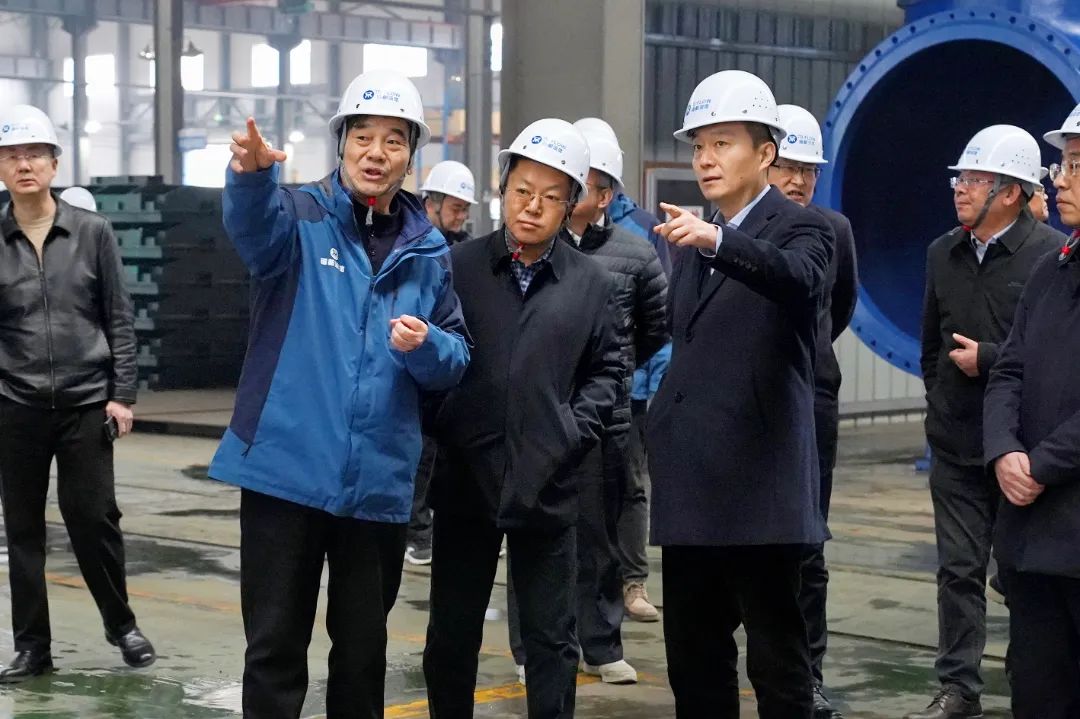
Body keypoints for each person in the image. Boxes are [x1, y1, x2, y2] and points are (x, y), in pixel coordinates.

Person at [207, 70, 470, 719]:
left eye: (394, 140)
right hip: (284, 472)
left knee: (361, 655)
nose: (376, 152)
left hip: (376, 485)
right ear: (343, 142)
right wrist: (251, 176)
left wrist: (427, 345)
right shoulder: (296, 218)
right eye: (363, 137)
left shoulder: (429, 250)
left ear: (411, 154)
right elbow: (251, 227)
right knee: (274, 649)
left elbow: (457, 355)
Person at [647, 70, 833, 719]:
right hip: (693, 489)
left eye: (722, 143)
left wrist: (721, 241)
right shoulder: (694, 241)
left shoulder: (801, 229)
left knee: (778, 665)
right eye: (699, 145)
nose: (705, 158)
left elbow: (798, 280)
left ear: (765, 153)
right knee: (694, 663)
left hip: (760, 492)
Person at [422, 118, 621, 719]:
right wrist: (448, 423)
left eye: (551, 196)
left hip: (548, 482)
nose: (532, 207)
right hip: (466, 479)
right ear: (503, 190)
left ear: (571, 203)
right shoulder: (457, 267)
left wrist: (569, 432)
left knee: (551, 640)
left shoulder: (591, 283)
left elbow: (608, 371)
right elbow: (432, 355)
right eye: (522, 191)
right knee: (451, 634)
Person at [909, 124, 1063, 719]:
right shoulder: (941, 253)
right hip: (955, 444)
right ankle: (959, 688)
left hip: (1023, 451)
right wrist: (941, 400)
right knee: (958, 570)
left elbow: (1049, 357)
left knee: (1023, 574)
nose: (960, 189)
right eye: (959, 178)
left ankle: (1030, 677)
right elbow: (931, 345)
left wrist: (989, 360)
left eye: (974, 179)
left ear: (1011, 192)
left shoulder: (1051, 256)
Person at [506, 120, 668, 685]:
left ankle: (600, 644)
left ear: (603, 195)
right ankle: (531, 649)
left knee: (599, 538)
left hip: (604, 419)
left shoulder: (635, 254)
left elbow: (655, 325)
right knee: (532, 535)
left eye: (584, 182)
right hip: (538, 416)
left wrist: (612, 372)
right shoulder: (527, 249)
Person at [0, 104, 155, 682]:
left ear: (54, 163)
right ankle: (32, 647)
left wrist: (123, 394)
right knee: (23, 530)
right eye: (12, 156)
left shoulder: (92, 231)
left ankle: (121, 624)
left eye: (34, 154)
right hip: (16, 404)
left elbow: (119, 316)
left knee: (93, 518)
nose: (24, 165)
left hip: (86, 401)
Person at [981, 105, 1080, 719]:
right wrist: (1003, 450)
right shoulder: (1052, 270)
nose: (1060, 180)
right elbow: (1009, 370)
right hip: (1033, 546)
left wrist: (1039, 464)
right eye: (1063, 164)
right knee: (1038, 694)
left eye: (1076, 166)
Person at [767, 103, 858, 719]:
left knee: (808, 545)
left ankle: (808, 677)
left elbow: (839, 306)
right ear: (765, 162)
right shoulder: (730, 231)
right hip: (749, 405)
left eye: (809, 170)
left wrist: (811, 358)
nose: (799, 180)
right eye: (789, 168)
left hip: (812, 402)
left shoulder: (834, 230)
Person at [572, 117, 668, 622]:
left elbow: (658, 321)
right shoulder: (552, 233)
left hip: (629, 391)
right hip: (567, 395)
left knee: (629, 488)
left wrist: (629, 370)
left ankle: (632, 584)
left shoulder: (645, 233)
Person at [405, 160, 481, 566]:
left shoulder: (464, 249)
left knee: (442, 451)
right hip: (414, 361)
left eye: (465, 208)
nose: (461, 215)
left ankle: (432, 525)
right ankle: (416, 532)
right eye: (455, 207)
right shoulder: (411, 243)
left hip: (450, 362)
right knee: (420, 452)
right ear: (431, 202)